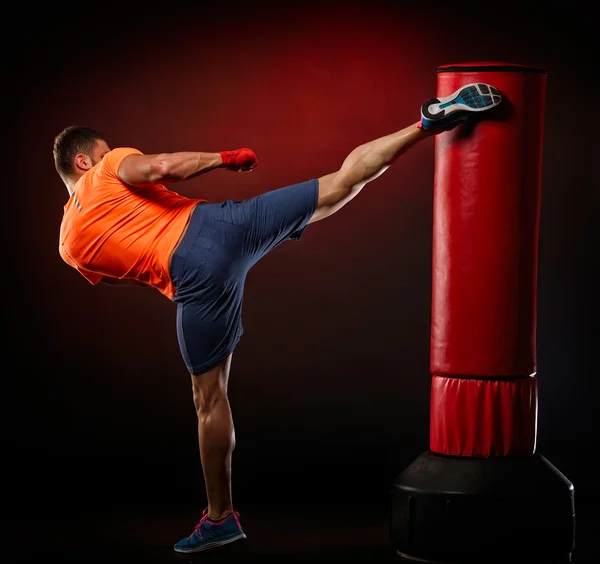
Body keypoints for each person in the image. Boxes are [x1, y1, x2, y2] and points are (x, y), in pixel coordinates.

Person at [53, 82, 501, 554]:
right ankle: (423, 125)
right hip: (220, 226)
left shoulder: (69, 247)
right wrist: (225, 157)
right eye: (101, 153)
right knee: (338, 184)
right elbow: (163, 167)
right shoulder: (104, 167)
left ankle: (221, 519)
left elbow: (128, 275)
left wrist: (186, 276)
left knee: (209, 401)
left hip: (192, 282)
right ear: (85, 160)